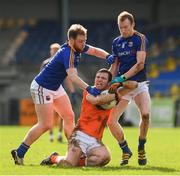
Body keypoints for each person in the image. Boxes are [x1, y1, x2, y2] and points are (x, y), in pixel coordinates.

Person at [11, 24, 115, 165]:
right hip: (42, 87)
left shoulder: (77, 46)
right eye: (80, 41)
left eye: (84, 40)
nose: (83, 44)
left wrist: (107, 56)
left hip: (55, 87)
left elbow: (94, 51)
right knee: (46, 124)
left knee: (69, 116)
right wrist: (89, 88)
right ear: (71, 40)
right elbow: (72, 76)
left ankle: (74, 151)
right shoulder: (68, 53)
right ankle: (20, 152)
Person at [40, 68, 138, 167]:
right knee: (68, 164)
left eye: (103, 78)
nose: (99, 79)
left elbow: (135, 85)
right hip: (79, 136)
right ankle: (54, 158)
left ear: (109, 82)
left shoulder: (111, 91)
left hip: (95, 140)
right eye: (98, 77)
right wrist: (117, 95)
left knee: (104, 158)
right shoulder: (90, 91)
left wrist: (119, 83)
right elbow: (97, 101)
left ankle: (79, 160)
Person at [107, 11, 150, 166]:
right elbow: (114, 65)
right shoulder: (116, 42)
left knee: (145, 115)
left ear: (133, 25)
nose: (123, 31)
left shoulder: (140, 38)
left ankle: (141, 147)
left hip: (138, 84)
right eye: (120, 28)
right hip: (123, 86)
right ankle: (125, 149)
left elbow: (140, 64)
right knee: (111, 121)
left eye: (126, 27)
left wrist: (121, 78)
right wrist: (108, 80)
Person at [40, 43, 77, 143]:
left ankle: (60, 133)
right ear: (50, 51)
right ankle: (51, 135)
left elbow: (68, 77)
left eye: (57, 49)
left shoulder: (62, 61)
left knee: (63, 115)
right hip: (48, 90)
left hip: (60, 90)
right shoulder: (46, 63)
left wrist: (72, 91)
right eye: (53, 50)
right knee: (50, 113)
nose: (55, 51)